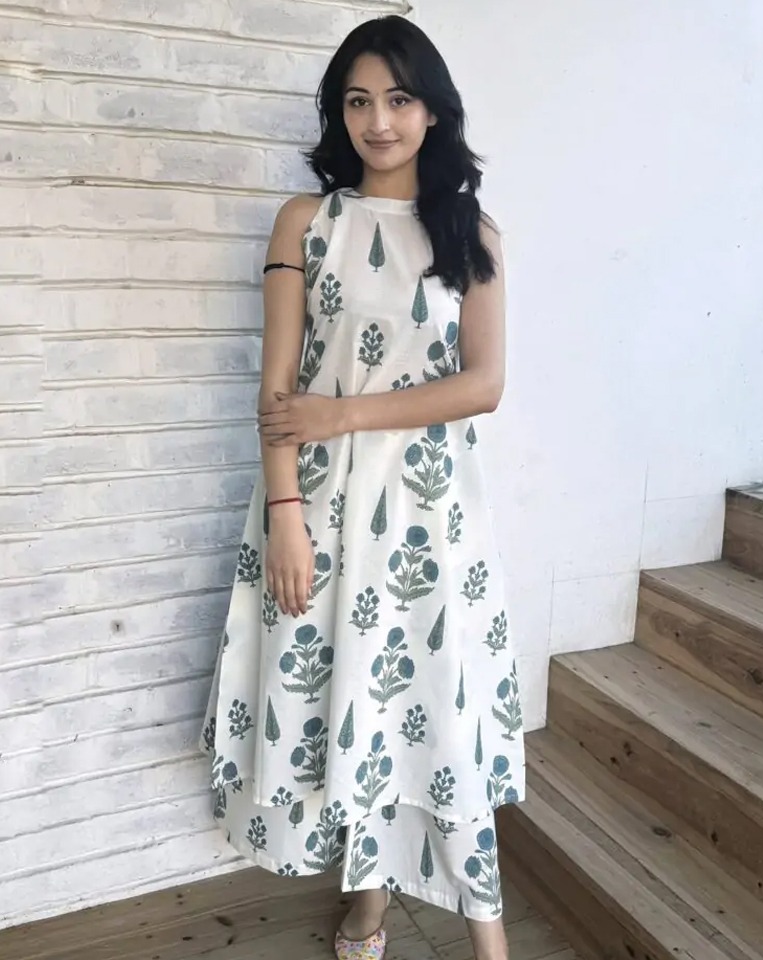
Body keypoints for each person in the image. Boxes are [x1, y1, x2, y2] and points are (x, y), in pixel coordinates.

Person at [199, 14, 525, 960]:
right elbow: (276, 394)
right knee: (352, 704)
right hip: (317, 512)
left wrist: (341, 414)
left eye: (398, 98)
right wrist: (285, 519)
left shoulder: (471, 232)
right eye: (357, 101)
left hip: (430, 520)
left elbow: (484, 385)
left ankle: (488, 940)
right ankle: (370, 907)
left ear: (433, 110)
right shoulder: (306, 224)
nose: (378, 121)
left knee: (440, 713)